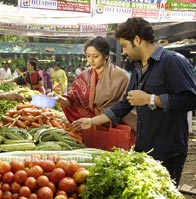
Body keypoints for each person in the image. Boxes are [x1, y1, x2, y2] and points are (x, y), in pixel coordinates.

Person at [72, 17, 196, 186]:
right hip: (144, 148)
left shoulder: (172, 61)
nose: (123, 51)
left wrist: (150, 99)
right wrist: (92, 121)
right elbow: (125, 104)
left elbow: (191, 99)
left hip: (168, 151)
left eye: (124, 45)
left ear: (137, 40)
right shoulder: (139, 68)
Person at [50, 36, 130, 125]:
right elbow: (72, 101)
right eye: (88, 56)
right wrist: (59, 98)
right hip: (87, 126)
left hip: (113, 126)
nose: (91, 60)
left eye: (95, 56)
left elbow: (127, 106)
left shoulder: (120, 76)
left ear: (106, 55)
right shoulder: (83, 75)